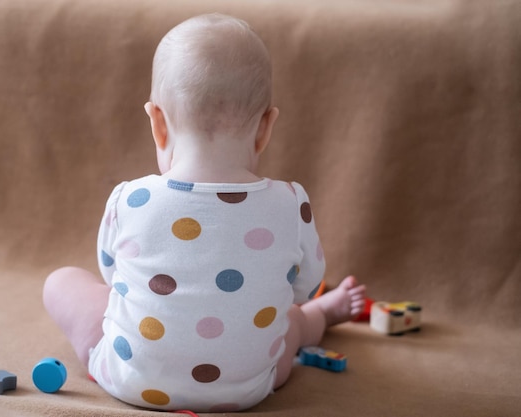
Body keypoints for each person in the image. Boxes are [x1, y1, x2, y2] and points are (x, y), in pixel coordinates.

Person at [43, 13, 366, 412]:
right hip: (250, 386)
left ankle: (116, 353)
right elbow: (302, 287)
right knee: (295, 322)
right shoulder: (290, 202)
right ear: (266, 128)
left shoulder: (130, 198)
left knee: (64, 282)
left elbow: (114, 277)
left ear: (157, 124)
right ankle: (323, 317)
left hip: (133, 381)